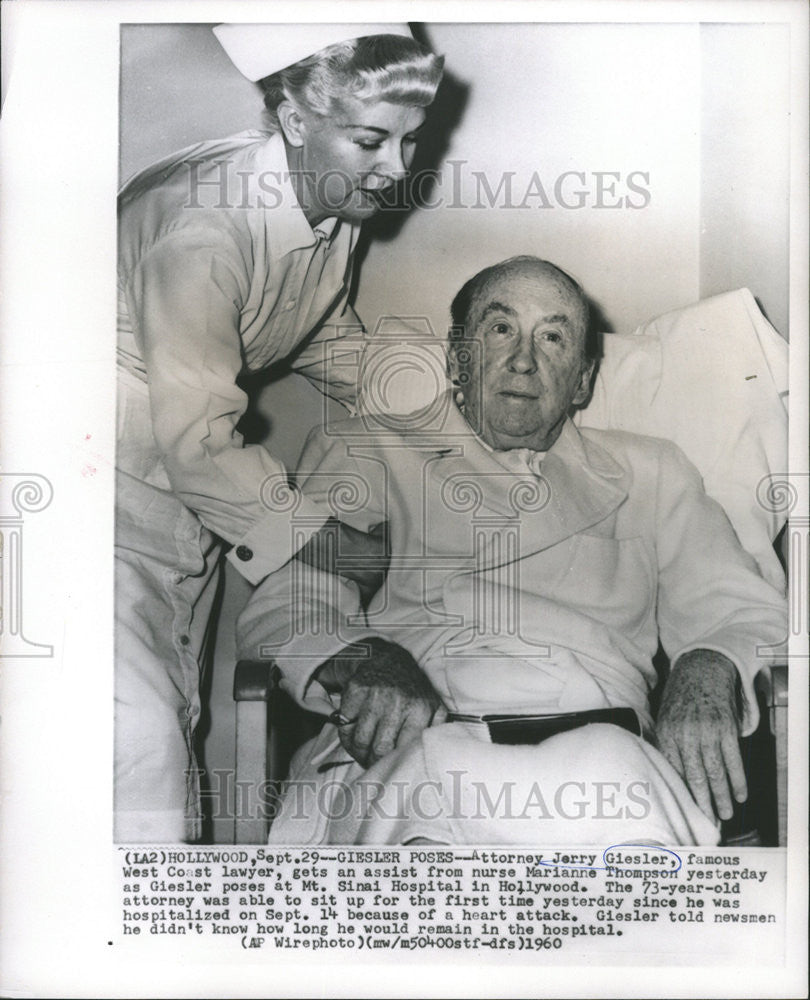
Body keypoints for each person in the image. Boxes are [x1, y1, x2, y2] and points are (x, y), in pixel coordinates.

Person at [237, 256, 787, 845]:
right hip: (416, 741)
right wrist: (359, 656)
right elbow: (292, 600)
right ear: (456, 356)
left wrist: (708, 665)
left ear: (581, 380)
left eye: (553, 337)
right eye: (500, 329)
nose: (524, 360)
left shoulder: (651, 471)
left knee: (625, 817)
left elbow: (736, 606)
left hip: (604, 747)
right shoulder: (370, 453)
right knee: (430, 817)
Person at [115, 24, 444, 842]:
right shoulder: (202, 228)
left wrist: (453, 402)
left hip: (173, 512)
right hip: (88, 500)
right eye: (372, 140)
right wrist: (345, 547)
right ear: (297, 121)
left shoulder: (331, 201)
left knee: (161, 738)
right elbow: (201, 446)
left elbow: (318, 334)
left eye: (410, 140)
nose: (398, 170)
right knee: (136, 747)